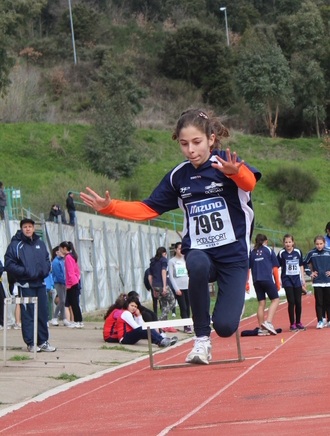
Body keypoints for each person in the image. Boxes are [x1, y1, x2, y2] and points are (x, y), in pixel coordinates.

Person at [79, 108, 261, 365]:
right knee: (195, 263)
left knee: (225, 326)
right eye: (184, 144)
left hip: (233, 257)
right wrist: (110, 207)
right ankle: (201, 340)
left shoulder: (227, 163)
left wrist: (236, 173)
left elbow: (250, 183)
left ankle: (227, 309)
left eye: (197, 142)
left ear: (210, 139)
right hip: (201, 252)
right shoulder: (179, 176)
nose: (191, 150)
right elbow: (147, 208)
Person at [4, 217, 56, 352]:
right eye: (25, 227)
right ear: (22, 229)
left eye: (30, 226)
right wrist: (24, 272)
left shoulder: (40, 243)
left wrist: (46, 268)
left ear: (33, 228)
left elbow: (46, 258)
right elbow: (9, 264)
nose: (28, 229)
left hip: (40, 284)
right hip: (26, 285)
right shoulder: (16, 245)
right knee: (28, 315)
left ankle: (42, 342)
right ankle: (31, 343)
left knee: (42, 314)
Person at [103, 295, 177, 348]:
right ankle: (159, 341)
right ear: (127, 305)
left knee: (146, 328)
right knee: (144, 329)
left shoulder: (132, 314)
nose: (133, 308)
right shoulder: (125, 313)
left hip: (129, 336)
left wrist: (139, 316)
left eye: (135, 307)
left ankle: (162, 339)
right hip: (124, 338)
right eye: (132, 306)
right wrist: (144, 327)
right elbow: (137, 327)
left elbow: (141, 325)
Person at [303, 235, 330, 329]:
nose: (319, 246)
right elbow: (304, 262)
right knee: (319, 302)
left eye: (321, 244)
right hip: (317, 282)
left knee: (329, 301)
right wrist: (309, 273)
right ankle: (320, 321)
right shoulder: (311, 253)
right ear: (314, 244)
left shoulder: (329, 252)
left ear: (324, 243)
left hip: (328, 281)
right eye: (317, 244)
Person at [249, 233, 280, 335]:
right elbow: (275, 268)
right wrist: (277, 283)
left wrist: (246, 285)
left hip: (256, 280)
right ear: (266, 241)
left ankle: (261, 327)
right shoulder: (269, 250)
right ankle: (268, 322)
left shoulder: (252, 252)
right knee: (275, 300)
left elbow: (247, 268)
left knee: (261, 303)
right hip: (266, 279)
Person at [277, 233, 306, 331]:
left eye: (289, 242)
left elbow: (301, 265)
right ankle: (292, 323)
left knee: (298, 301)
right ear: (283, 243)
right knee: (291, 302)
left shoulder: (298, 252)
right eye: (286, 242)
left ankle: (298, 322)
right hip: (287, 279)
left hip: (296, 279)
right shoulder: (281, 253)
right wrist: (278, 280)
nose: (288, 244)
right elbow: (277, 266)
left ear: (293, 242)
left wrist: (302, 278)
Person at [168, 242, 192, 332]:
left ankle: (188, 322)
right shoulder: (171, 261)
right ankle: (186, 325)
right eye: (179, 249)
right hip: (179, 287)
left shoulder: (185, 259)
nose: (181, 250)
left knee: (188, 306)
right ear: (175, 249)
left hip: (188, 286)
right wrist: (176, 288)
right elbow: (171, 276)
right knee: (183, 307)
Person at [59, 241, 83, 327]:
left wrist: (68, 284)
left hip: (71, 283)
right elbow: (76, 271)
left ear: (65, 248)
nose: (60, 250)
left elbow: (70, 272)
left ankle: (78, 321)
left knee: (73, 303)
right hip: (74, 282)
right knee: (74, 302)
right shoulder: (73, 257)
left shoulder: (68, 257)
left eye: (61, 249)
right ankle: (78, 320)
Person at [149, 247, 175, 321]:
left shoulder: (153, 261)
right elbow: (163, 272)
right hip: (161, 284)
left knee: (163, 304)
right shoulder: (163, 260)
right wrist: (164, 286)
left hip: (155, 285)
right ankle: (160, 318)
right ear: (164, 253)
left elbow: (150, 276)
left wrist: (153, 289)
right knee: (172, 302)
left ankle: (164, 324)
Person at [50, 246, 71, 326]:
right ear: (57, 252)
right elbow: (58, 275)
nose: (63, 252)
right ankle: (54, 318)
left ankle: (63, 318)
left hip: (63, 282)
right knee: (61, 300)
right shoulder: (55, 262)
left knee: (63, 301)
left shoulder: (62, 261)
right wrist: (65, 282)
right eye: (61, 251)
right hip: (58, 282)